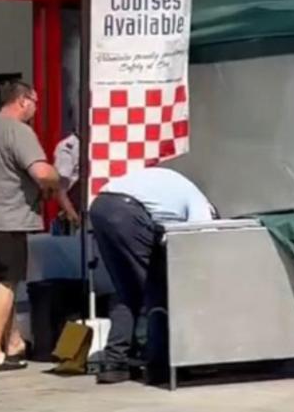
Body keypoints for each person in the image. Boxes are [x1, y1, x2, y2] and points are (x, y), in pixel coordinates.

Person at [0, 81, 62, 372]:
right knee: (6, 284)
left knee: (1, 280)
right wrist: (56, 181)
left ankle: (13, 343)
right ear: (22, 101)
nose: (36, 108)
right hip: (6, 219)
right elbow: (42, 172)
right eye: (34, 101)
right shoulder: (19, 131)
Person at [90, 164, 215, 385]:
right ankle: (160, 367)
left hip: (101, 206)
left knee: (125, 290)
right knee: (156, 290)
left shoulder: (171, 197)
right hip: (129, 212)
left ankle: (114, 364)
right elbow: (199, 237)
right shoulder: (199, 204)